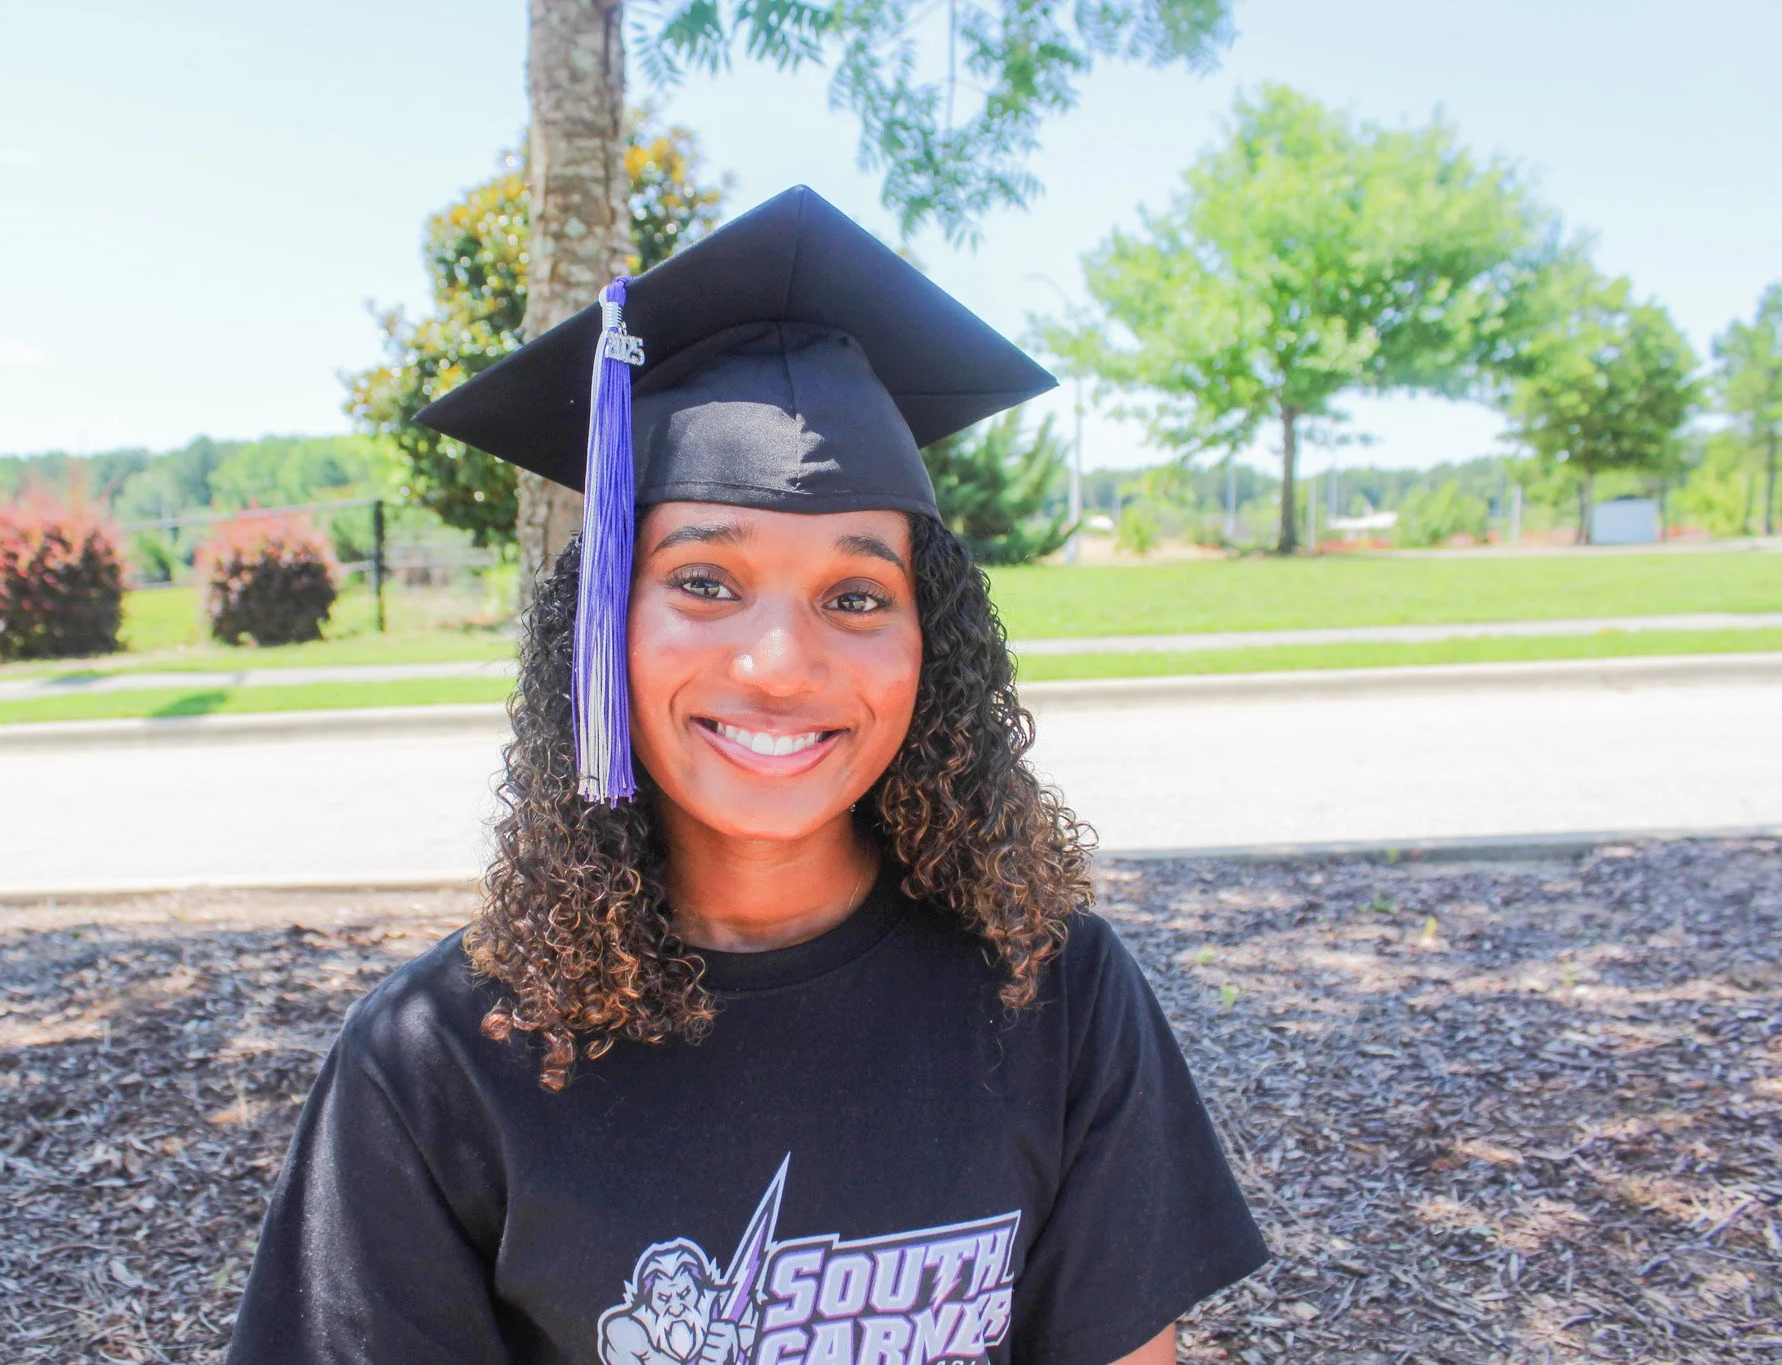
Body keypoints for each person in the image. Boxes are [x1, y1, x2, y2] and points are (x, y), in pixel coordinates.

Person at [226, 186, 1267, 1365]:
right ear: (601, 628)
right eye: (704, 583)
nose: (778, 664)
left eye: (856, 595)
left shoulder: (1051, 994)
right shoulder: (438, 1065)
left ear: (932, 649)